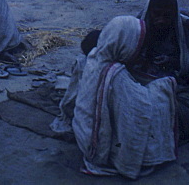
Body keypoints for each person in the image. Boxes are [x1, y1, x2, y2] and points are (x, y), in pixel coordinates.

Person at [72, 16, 178, 180]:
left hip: (84, 132)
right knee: (161, 96)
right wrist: (163, 86)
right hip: (98, 148)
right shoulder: (116, 73)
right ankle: (128, 161)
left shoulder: (96, 55)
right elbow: (139, 107)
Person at [132, 0, 189, 141]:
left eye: (167, 16)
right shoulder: (139, 25)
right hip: (146, 77)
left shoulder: (185, 27)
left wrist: (171, 61)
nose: (161, 20)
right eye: (157, 14)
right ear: (150, 11)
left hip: (176, 77)